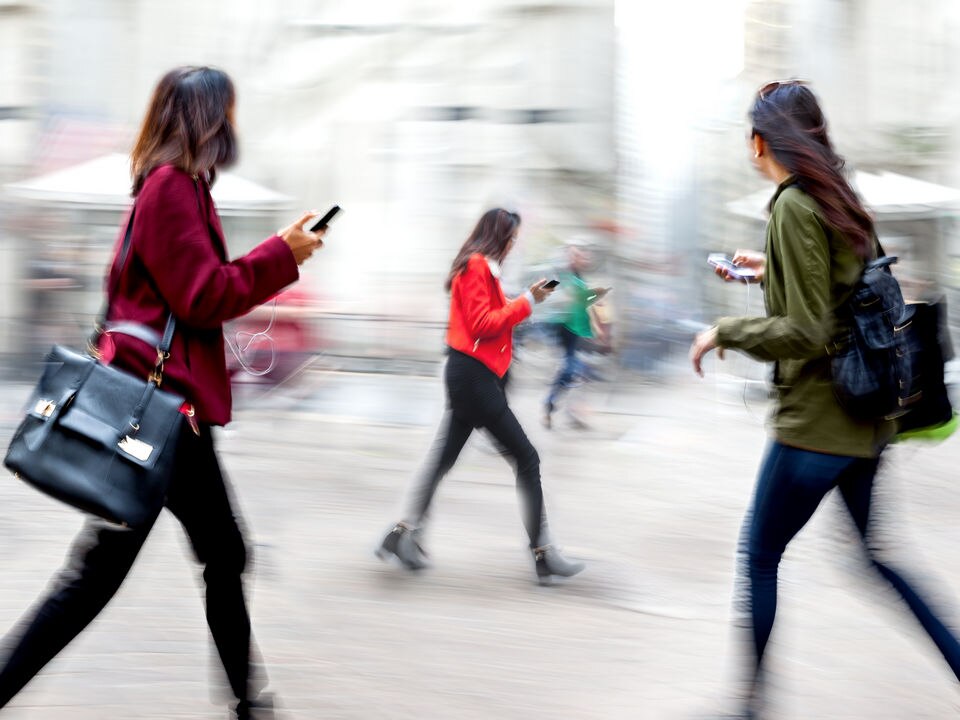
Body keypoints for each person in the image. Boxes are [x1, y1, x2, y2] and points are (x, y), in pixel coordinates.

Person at [0, 66, 325, 720]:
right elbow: (204, 296)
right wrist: (282, 254)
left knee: (216, 554)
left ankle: (249, 703)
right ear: (207, 118)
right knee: (115, 572)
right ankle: (250, 705)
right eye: (225, 112)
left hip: (165, 416)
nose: (232, 126)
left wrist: (278, 254)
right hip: (160, 418)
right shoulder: (172, 189)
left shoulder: (176, 187)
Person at [689, 80, 960, 717]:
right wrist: (765, 268)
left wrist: (722, 330)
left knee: (758, 556)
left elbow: (805, 331)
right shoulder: (836, 197)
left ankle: (749, 706)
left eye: (748, 137)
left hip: (816, 422)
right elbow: (836, 291)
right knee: (878, 560)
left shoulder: (791, 205)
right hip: (867, 423)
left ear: (762, 141)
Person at [376, 208, 585, 584]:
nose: (514, 243)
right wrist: (526, 302)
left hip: (473, 376)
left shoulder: (483, 269)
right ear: (498, 235)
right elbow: (482, 324)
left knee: (442, 459)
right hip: (473, 378)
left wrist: (527, 300)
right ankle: (542, 554)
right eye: (513, 237)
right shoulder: (476, 266)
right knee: (527, 457)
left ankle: (400, 535)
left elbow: (490, 316)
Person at [542, 242, 609, 429]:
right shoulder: (560, 276)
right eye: (576, 255)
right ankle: (560, 407)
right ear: (568, 257)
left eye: (582, 256)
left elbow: (586, 303)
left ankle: (553, 403)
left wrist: (598, 328)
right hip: (564, 329)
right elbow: (544, 294)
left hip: (580, 331)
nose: (581, 259)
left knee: (573, 372)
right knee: (573, 368)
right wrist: (561, 297)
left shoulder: (580, 279)